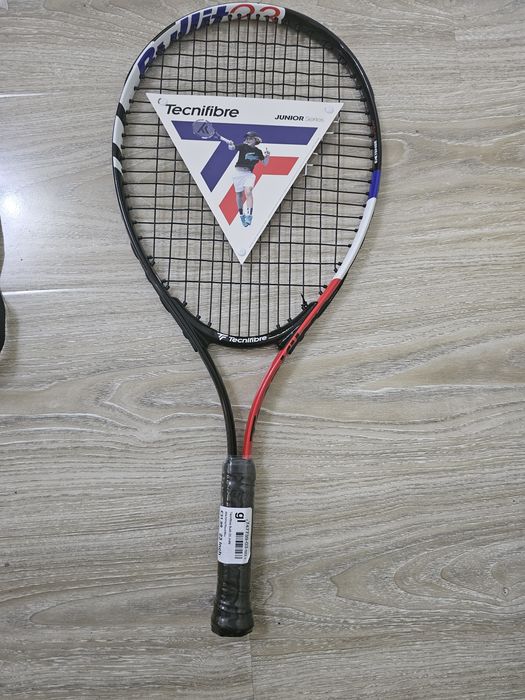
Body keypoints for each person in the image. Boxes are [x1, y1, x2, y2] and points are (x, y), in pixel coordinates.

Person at [227, 131, 270, 227]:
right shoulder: (243, 146)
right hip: (238, 173)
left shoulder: (258, 152)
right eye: (247, 138)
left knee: (248, 191)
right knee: (239, 195)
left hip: (249, 174)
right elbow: (232, 148)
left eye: (250, 138)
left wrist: (267, 156)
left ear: (255, 139)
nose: (248, 140)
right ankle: (242, 215)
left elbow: (265, 163)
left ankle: (249, 216)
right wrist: (231, 145)